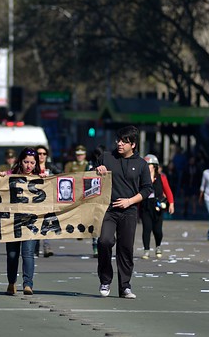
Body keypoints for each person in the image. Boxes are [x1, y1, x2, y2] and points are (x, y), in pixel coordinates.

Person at [94, 126, 152, 299]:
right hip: (108, 209)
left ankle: (124, 286)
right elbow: (90, 178)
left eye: (124, 141)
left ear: (132, 144)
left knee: (125, 248)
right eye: (118, 140)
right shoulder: (106, 157)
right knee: (104, 241)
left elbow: (147, 189)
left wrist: (129, 201)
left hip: (129, 211)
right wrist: (98, 170)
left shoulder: (141, 164)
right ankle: (105, 280)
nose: (119, 144)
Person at [0, 147, 41, 296]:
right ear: (20, 162)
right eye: (26, 162)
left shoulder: (42, 179)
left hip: (31, 222)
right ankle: (11, 283)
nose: (29, 166)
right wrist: (2, 177)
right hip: (12, 221)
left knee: (28, 253)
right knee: (12, 254)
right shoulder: (11, 175)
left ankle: (28, 284)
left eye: (32, 163)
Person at [140, 154, 175, 259]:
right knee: (147, 228)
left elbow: (168, 191)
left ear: (154, 166)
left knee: (158, 230)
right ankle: (146, 250)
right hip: (145, 207)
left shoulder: (162, 178)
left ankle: (158, 246)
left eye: (148, 165)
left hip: (158, 207)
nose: (146, 167)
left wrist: (171, 204)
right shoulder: (141, 178)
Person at [34, 145, 61, 257]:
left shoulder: (50, 166)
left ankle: (46, 246)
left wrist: (50, 176)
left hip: (48, 199)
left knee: (46, 222)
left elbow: (62, 174)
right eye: (39, 153)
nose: (41, 156)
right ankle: (34, 248)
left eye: (44, 154)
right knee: (35, 222)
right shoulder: (32, 167)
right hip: (34, 200)